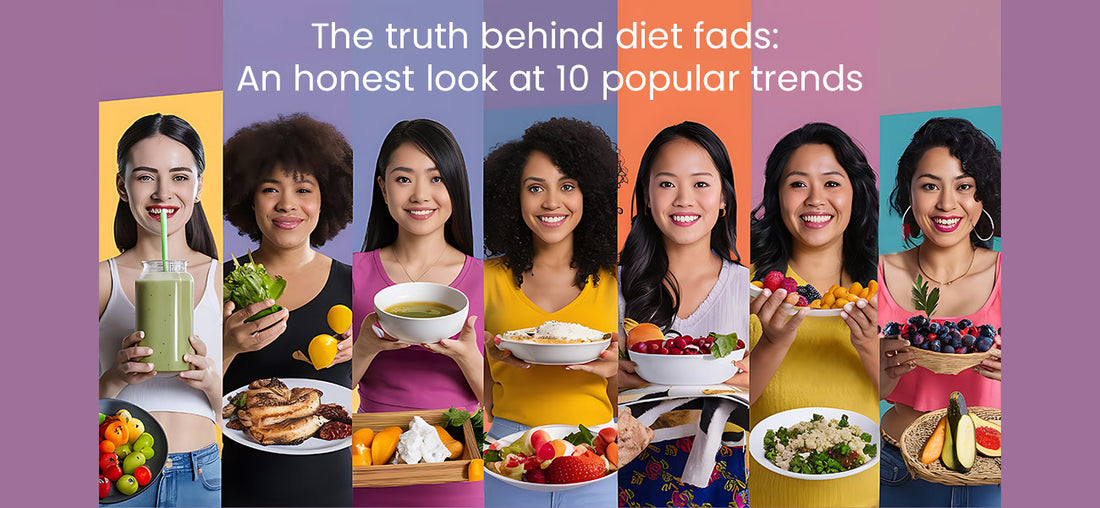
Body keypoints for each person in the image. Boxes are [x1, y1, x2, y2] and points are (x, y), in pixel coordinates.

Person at [482, 117, 620, 507]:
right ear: (514, 197)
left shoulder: (617, 283)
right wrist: (484, 360)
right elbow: (475, 391)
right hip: (506, 448)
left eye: (567, 186)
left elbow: (628, 392)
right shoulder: (484, 279)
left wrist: (614, 369)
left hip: (597, 448)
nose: (551, 202)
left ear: (589, 194)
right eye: (535, 188)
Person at [221, 113, 354, 507]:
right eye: (270, 189)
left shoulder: (353, 283)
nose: (287, 205)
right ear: (248, 196)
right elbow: (183, 399)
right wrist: (227, 346)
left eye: (303, 189)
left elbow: (385, 389)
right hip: (241, 487)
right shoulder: (218, 282)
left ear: (325, 199)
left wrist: (365, 350)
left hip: (331, 487)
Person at [616, 121, 750, 506]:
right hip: (625, 469)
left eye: (701, 184)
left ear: (724, 197)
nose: (683, 199)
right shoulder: (609, 286)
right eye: (667, 183)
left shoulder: (751, 289)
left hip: (729, 473)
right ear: (645, 194)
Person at [351, 119, 484, 506]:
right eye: (404, 179)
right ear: (383, 188)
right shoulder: (352, 273)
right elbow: (327, 394)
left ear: (456, 186)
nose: (421, 195)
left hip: (460, 471)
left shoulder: (487, 278)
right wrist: (365, 349)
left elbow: (504, 404)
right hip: (372, 464)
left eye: (437, 178)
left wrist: (468, 357)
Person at [748, 122, 880, 507]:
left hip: (862, 494)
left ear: (856, 193)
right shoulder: (749, 286)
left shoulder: (885, 289)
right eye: (798, 184)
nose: (815, 199)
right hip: (770, 493)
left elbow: (903, 403)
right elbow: (727, 406)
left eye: (832, 183)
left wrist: (870, 346)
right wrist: (772, 342)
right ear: (777, 195)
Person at [98, 113, 222, 507]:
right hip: (119, 478)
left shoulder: (225, 279)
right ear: (123, 185)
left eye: (180, 177)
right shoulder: (100, 281)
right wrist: (114, 380)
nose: (163, 193)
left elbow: (246, 415)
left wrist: (211, 382)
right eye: (146, 176)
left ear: (199, 186)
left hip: (203, 477)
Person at [879, 117, 1001, 507]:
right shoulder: (875, 273)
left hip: (994, 477)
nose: (947, 204)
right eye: (930, 186)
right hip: (898, 473)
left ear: (983, 197)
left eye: (964, 186)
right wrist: (873, 374)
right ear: (910, 195)